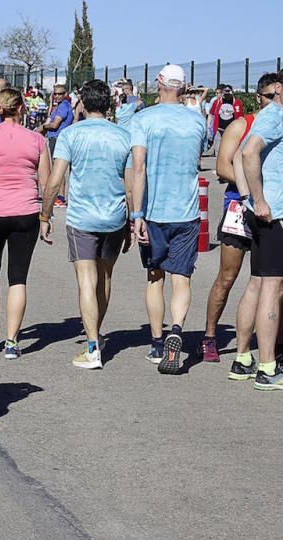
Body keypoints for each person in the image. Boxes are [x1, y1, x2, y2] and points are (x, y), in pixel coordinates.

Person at [38, 80, 133, 369]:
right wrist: (132, 218)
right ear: (110, 104)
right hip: (115, 216)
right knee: (105, 278)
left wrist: (45, 214)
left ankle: (92, 346)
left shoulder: (71, 135)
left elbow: (55, 180)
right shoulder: (123, 136)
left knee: (86, 281)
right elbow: (130, 185)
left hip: (82, 217)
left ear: (82, 104)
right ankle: (97, 333)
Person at [129, 64, 207, 375]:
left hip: (154, 211)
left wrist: (137, 214)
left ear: (159, 83)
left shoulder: (143, 119)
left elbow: (138, 168)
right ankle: (177, 328)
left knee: (154, 276)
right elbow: (197, 159)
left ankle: (158, 342)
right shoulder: (196, 120)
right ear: (183, 87)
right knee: (182, 278)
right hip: (187, 211)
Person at [202, 74, 276, 366]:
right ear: (258, 97)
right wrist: (258, 187)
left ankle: (272, 342)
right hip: (239, 208)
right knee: (227, 277)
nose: (274, 102)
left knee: (271, 282)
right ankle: (209, 337)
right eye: (269, 96)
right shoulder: (241, 125)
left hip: (272, 212)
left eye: (277, 97)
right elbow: (222, 167)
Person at [0, 88, 50, 359]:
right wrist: (45, 216)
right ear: (21, 108)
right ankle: (12, 341)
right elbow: (47, 183)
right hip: (26, 213)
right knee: (18, 277)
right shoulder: (37, 140)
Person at [239, 73, 283, 390]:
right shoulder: (277, 115)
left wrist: (247, 200)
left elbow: (241, 153)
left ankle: (243, 358)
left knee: (258, 283)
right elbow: (247, 153)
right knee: (272, 285)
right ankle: (267, 366)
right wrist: (258, 199)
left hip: (263, 212)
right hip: (274, 215)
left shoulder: (267, 115)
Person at [37, 84, 75, 208]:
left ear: (65, 94)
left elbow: (54, 125)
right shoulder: (58, 106)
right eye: (55, 94)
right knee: (56, 167)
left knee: (58, 168)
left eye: (60, 94)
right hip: (55, 138)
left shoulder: (64, 106)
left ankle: (61, 197)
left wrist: (43, 127)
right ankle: (60, 197)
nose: (57, 96)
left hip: (58, 138)